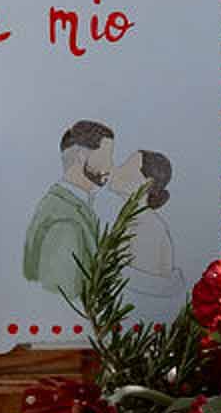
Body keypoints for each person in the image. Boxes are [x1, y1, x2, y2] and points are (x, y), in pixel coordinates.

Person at [22, 120, 114, 299]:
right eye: (106, 156)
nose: (111, 166)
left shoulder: (71, 206)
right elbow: (62, 297)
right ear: (81, 155)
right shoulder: (65, 222)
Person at [103, 149, 185, 315]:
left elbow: (138, 292)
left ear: (146, 183)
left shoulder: (145, 228)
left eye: (126, 168)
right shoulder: (132, 221)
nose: (116, 170)